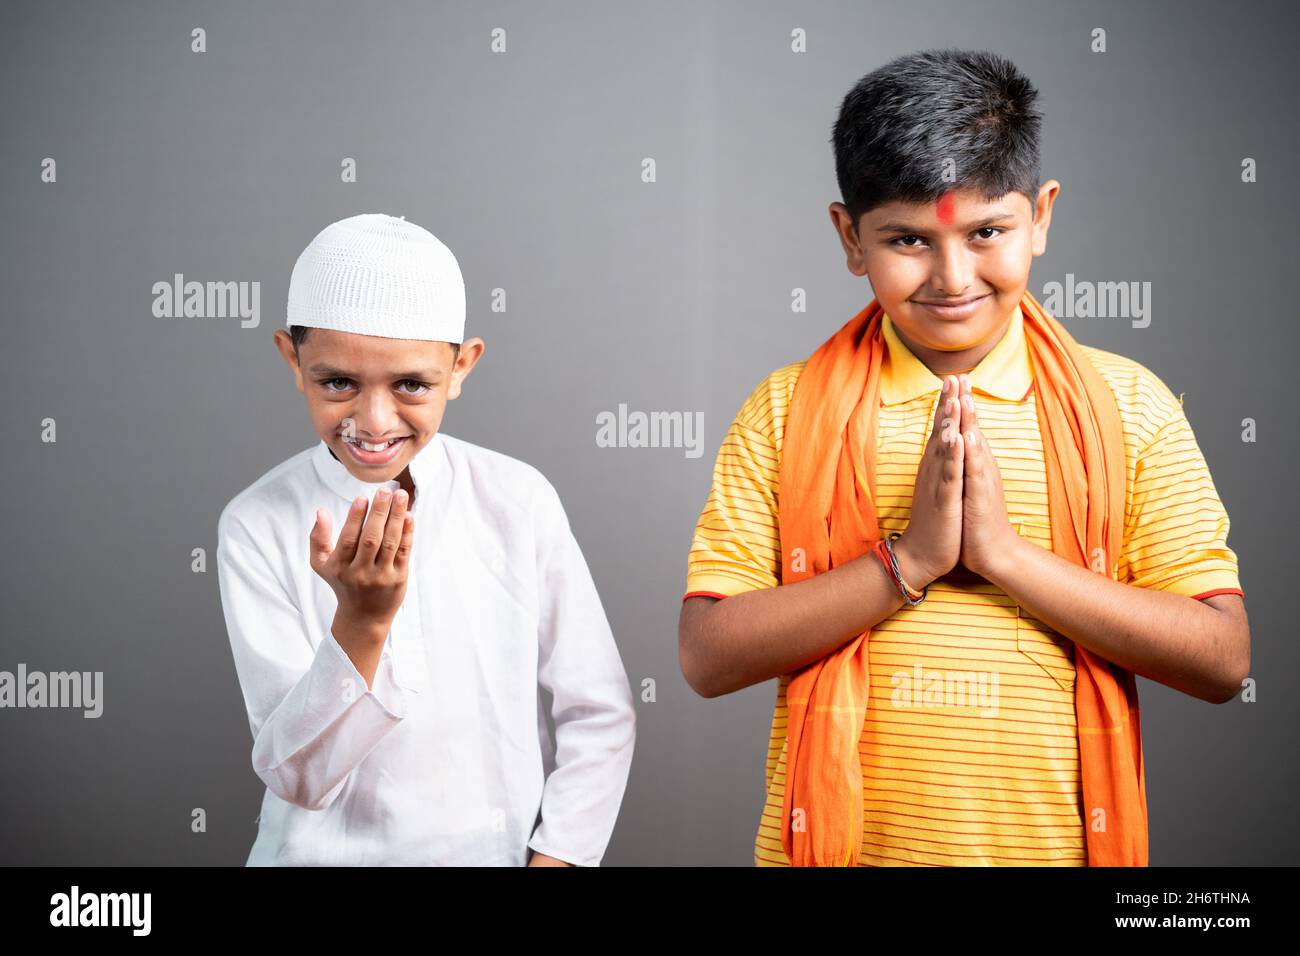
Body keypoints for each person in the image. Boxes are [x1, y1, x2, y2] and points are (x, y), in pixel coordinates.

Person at [679, 49, 1250, 867]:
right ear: (849, 236)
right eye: (906, 239)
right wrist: (907, 560)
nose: (952, 277)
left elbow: (1222, 659)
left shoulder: (1128, 405)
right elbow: (706, 656)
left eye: (987, 232)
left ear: (1042, 216)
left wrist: (1005, 557)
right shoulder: (784, 410)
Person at [217, 213, 636, 865]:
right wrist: (361, 622)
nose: (374, 421)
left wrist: (557, 857)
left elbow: (599, 713)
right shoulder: (257, 523)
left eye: (411, 384)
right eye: (338, 383)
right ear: (293, 361)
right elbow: (296, 776)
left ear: (462, 365)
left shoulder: (517, 501)